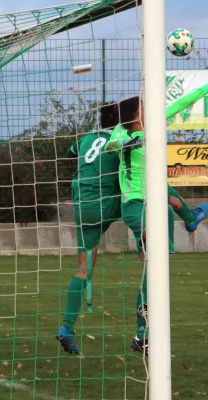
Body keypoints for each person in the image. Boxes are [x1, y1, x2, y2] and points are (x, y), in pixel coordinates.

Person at [105, 76, 208, 355]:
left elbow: (182, 102)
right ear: (137, 117)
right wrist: (130, 142)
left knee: (152, 269)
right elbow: (110, 146)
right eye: (146, 107)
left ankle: (141, 336)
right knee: (155, 251)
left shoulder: (155, 124)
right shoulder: (121, 133)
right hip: (136, 205)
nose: (152, 109)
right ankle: (185, 218)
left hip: (154, 200)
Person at [56, 104, 122, 355]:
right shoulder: (120, 139)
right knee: (144, 202)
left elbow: (68, 152)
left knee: (85, 268)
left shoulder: (86, 138)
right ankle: (184, 213)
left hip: (83, 205)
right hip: (106, 204)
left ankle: (67, 328)